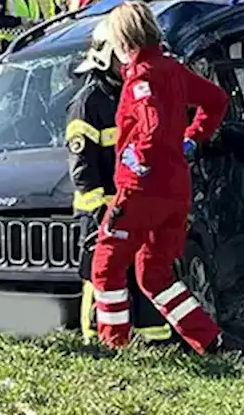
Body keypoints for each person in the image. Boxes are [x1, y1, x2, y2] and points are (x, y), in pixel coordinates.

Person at [89, 0, 231, 354]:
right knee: (155, 274)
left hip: (142, 191)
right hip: (175, 190)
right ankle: (207, 338)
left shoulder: (142, 77)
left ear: (123, 41)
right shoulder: (174, 69)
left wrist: (137, 161)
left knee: (106, 267)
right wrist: (192, 138)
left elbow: (149, 128)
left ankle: (114, 345)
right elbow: (216, 100)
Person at [68, 19, 171, 345]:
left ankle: (153, 341)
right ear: (105, 56)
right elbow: (83, 171)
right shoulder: (88, 105)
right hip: (104, 210)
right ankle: (99, 343)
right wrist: (104, 210)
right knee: (103, 277)